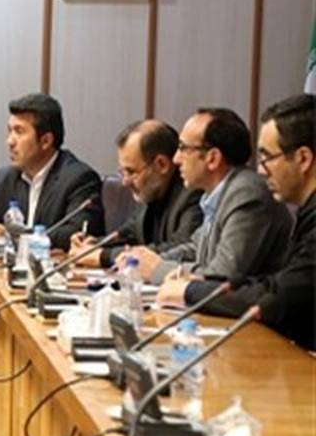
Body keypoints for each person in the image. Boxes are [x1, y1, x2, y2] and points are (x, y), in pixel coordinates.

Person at [158, 95, 315, 350]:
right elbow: (273, 284)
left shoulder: (248, 193)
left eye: (267, 157)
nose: (261, 170)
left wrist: (190, 290)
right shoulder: (307, 212)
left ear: (303, 158)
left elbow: (279, 298)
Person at [116, 107, 292, 286]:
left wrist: (157, 269)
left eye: (183, 148)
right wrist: (147, 260)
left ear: (213, 158)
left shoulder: (247, 195)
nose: (176, 159)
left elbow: (221, 276)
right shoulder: (218, 193)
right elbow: (194, 248)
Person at [0, 93, 104, 250]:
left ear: (45, 141)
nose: (10, 141)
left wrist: (13, 236)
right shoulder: (7, 177)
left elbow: (73, 234)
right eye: (10, 131)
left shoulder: (79, 179)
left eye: (19, 131)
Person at [70, 119, 202, 268]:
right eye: (123, 172)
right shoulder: (151, 188)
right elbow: (131, 231)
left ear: (162, 164)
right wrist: (97, 243)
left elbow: (179, 250)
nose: (125, 182)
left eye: (131, 172)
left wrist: (104, 256)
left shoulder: (193, 193)